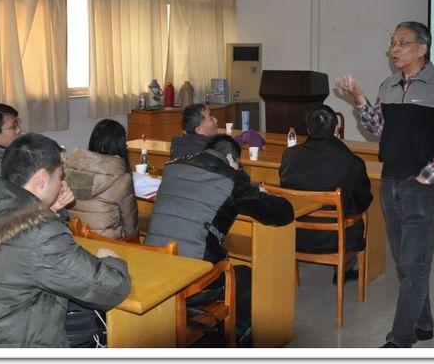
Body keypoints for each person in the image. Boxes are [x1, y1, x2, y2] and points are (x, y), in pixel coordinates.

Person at [335, 21, 434, 348]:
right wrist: (360, 97)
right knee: (408, 262)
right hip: (390, 183)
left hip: (421, 188)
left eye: (402, 42)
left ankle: (401, 337)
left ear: (422, 48)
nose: (394, 49)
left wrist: (426, 177)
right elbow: (379, 128)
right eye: (392, 42)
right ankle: (423, 323)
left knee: (413, 262)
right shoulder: (389, 85)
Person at [0, 133, 131, 348]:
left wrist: (48, 211)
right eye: (60, 176)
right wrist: (111, 261)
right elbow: (108, 289)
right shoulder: (39, 234)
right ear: (42, 178)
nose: (62, 183)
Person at [146, 134, 294, 346]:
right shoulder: (231, 178)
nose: (238, 169)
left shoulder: (173, 166)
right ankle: (234, 338)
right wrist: (263, 195)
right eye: (238, 164)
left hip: (154, 266)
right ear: (230, 158)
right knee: (247, 277)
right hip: (190, 278)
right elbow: (279, 214)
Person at [278, 105, 373, 283]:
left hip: (295, 235)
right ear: (337, 129)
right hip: (335, 239)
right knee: (354, 211)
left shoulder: (289, 156)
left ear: (308, 130)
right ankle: (344, 270)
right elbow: (362, 201)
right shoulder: (351, 162)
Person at [66, 119, 139, 240]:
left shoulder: (70, 169)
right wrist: (135, 241)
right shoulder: (122, 178)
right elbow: (130, 223)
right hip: (107, 243)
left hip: (75, 239)